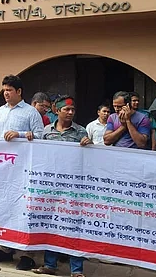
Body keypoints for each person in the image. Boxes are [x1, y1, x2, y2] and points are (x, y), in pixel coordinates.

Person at [0, 75, 43, 271]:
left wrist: (20, 134)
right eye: (4, 90)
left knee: (24, 208)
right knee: (4, 206)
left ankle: (28, 254)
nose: (5, 93)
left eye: (9, 90)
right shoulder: (0, 111)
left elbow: (41, 135)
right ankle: (5, 248)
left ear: (19, 92)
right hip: (3, 168)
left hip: (23, 169)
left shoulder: (31, 112)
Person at [33, 95, 90, 276]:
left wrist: (89, 145)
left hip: (73, 188)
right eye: (66, 109)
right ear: (57, 111)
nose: (70, 112)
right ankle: (50, 264)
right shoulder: (46, 131)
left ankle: (77, 270)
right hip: (51, 186)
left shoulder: (81, 132)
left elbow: (90, 159)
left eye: (73, 110)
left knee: (74, 226)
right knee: (51, 224)